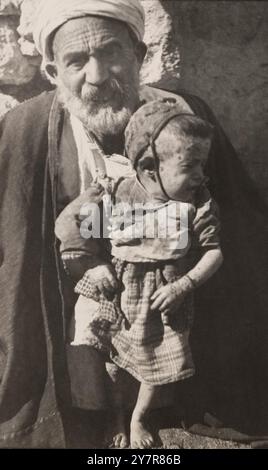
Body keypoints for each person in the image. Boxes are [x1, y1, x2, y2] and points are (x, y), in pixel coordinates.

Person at [0, 0, 268, 449]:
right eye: (77, 61)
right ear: (51, 72)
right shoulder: (22, 129)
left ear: (140, 55)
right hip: (82, 291)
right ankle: (101, 409)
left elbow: (239, 223)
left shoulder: (185, 113)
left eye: (111, 53)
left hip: (167, 290)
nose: (98, 75)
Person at [55, 100, 224, 448]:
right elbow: (80, 228)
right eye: (189, 166)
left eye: (202, 165)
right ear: (149, 169)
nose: (200, 176)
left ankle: (139, 417)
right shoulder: (118, 193)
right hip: (117, 289)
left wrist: (184, 285)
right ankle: (116, 413)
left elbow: (214, 252)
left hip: (163, 294)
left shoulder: (198, 204)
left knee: (155, 364)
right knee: (109, 357)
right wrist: (92, 264)